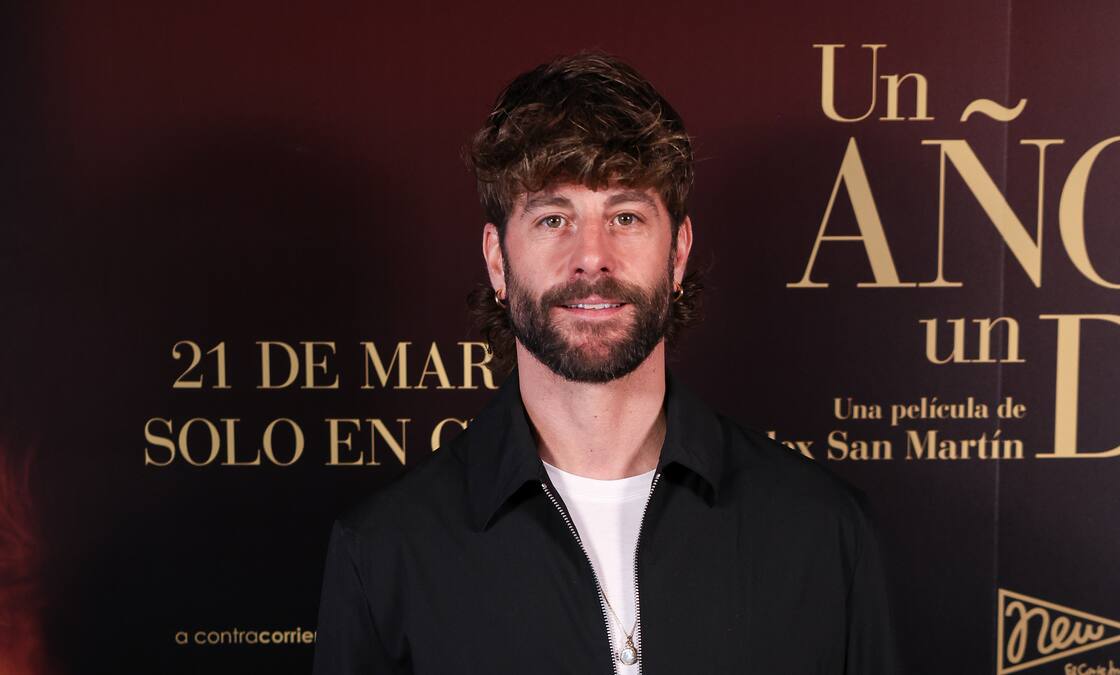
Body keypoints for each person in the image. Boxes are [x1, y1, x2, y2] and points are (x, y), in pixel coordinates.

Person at [313, 52, 900, 675]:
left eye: (625, 217)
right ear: (497, 261)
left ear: (678, 253)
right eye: (553, 219)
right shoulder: (385, 550)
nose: (592, 256)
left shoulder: (824, 530)